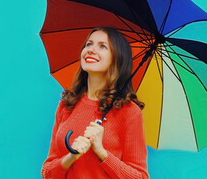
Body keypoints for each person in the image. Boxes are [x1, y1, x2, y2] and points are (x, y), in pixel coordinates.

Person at [41, 27, 149, 179]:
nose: (91, 50)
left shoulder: (129, 112)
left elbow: (140, 177)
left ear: (117, 59)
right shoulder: (67, 105)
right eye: (89, 44)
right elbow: (47, 173)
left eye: (102, 46)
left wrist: (102, 152)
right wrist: (70, 157)